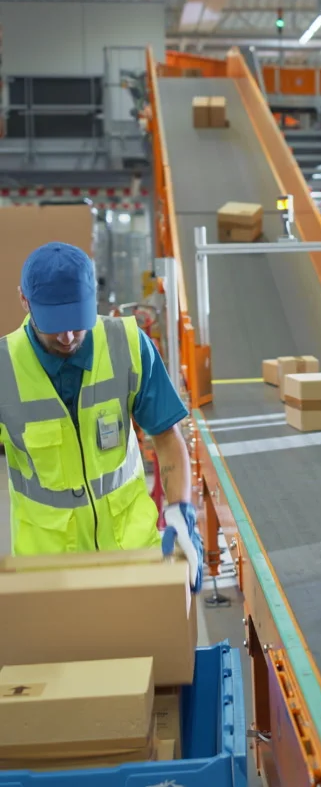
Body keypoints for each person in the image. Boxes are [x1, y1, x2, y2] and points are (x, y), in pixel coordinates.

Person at [0, 242, 203, 592]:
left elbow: (166, 436)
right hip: (48, 568)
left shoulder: (128, 345)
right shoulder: (4, 368)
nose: (67, 337)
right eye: (54, 325)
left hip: (132, 552)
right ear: (24, 301)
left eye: (76, 322)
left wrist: (180, 512)